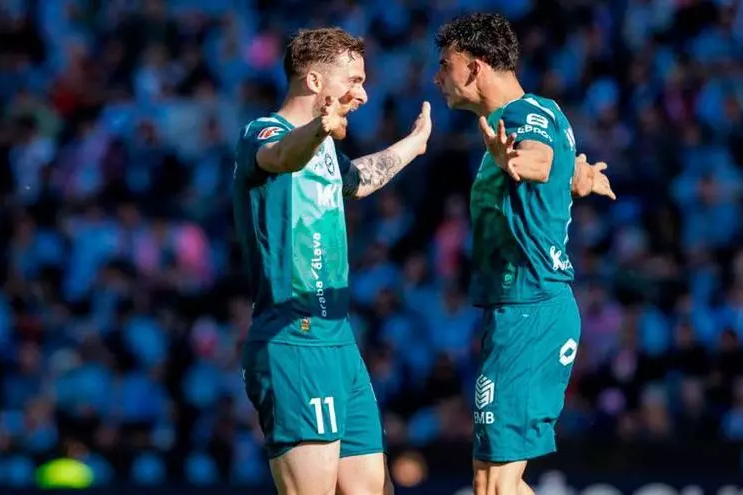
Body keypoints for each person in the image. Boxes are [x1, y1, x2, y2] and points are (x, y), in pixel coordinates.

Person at [232, 27, 431, 495]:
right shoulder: (262, 133)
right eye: (354, 80)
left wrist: (414, 145)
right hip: (293, 338)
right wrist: (319, 128)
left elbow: (357, 178)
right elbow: (281, 156)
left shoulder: (323, 148)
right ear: (316, 82)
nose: (362, 94)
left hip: (339, 340)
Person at [433, 13, 615, 495]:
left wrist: (513, 160)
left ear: (474, 67)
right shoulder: (546, 110)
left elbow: (538, 158)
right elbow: (558, 171)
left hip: (529, 309)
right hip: (525, 308)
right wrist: (577, 182)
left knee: (493, 484)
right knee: (496, 482)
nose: (437, 77)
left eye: (444, 65)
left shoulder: (516, 120)